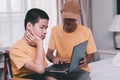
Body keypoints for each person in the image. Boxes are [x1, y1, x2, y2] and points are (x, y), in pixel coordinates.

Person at [46, 0, 97, 80]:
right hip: (61, 68)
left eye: (71, 19)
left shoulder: (86, 31)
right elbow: (48, 54)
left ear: (77, 18)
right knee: (45, 77)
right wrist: (54, 58)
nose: (68, 22)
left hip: (80, 69)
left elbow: (90, 55)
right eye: (66, 18)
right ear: (62, 15)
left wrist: (86, 60)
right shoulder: (55, 30)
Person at [10, 8, 56, 80]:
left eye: (46, 28)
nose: (45, 31)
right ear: (29, 26)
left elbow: (43, 71)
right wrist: (40, 44)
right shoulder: (16, 49)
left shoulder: (37, 45)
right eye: (42, 27)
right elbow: (40, 69)